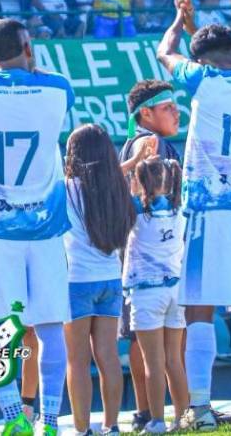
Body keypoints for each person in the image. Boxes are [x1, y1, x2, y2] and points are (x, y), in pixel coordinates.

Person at [156, 0, 231, 430]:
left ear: (202, 61)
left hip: (210, 205)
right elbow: (208, 54)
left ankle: (201, 408)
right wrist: (196, 23)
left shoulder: (202, 79)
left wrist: (177, 20)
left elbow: (164, 52)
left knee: (199, 310)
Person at [0, 17, 73, 436]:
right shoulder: (57, 88)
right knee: (51, 325)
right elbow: (41, 74)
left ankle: (13, 419)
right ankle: (51, 421)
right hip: (45, 229)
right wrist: (24, 56)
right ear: (27, 47)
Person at [62, 123, 134, 436]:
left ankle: (81, 430)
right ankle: (112, 425)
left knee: (77, 360)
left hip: (75, 281)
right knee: (108, 356)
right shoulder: (117, 188)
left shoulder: (65, 188)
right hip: (110, 281)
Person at [122, 156, 189, 434]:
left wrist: (132, 168)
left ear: (141, 182)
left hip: (147, 294)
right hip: (176, 290)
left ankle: (158, 421)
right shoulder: (180, 208)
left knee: (154, 363)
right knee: (174, 360)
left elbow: (119, 197)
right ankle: (184, 418)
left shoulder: (136, 209)